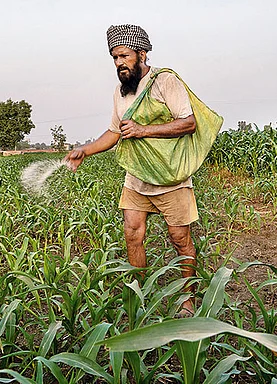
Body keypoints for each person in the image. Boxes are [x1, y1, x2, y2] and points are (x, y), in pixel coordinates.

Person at [65, 24, 199, 317]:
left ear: (142, 53)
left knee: (180, 240)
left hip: (170, 178)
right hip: (136, 178)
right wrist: (84, 151)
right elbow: (115, 132)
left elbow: (188, 123)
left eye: (124, 56)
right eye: (114, 58)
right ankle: (139, 293)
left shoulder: (165, 82)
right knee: (132, 234)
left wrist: (143, 130)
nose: (119, 63)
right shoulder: (121, 92)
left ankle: (187, 299)